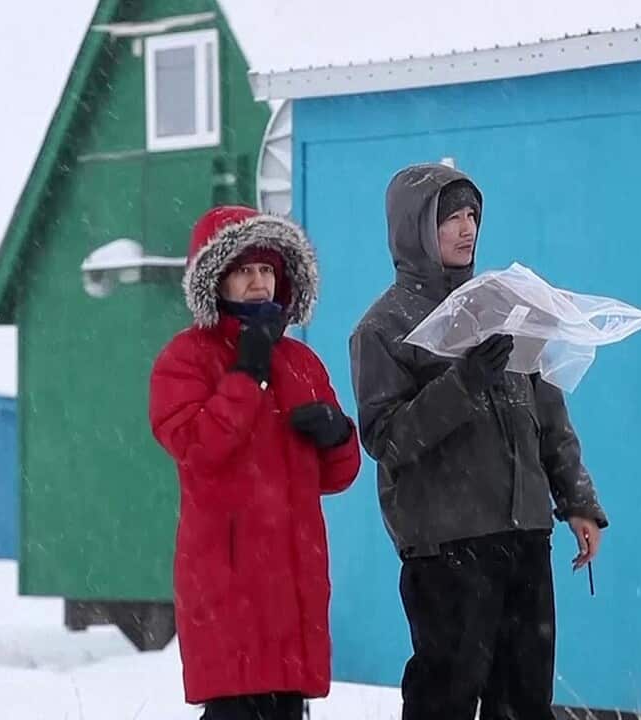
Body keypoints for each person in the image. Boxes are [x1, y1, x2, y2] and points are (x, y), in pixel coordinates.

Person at [348, 164, 609, 720]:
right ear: (415, 228)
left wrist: (578, 501)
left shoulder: (503, 306)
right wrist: (462, 383)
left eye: (472, 215)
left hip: (524, 534)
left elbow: (548, 412)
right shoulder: (383, 327)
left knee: (523, 702)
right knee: (445, 699)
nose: (467, 229)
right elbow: (388, 439)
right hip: (447, 547)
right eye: (450, 218)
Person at [149, 205, 361, 720]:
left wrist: (339, 436)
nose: (259, 282)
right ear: (215, 278)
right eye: (244, 270)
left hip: (292, 580)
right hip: (227, 581)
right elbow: (198, 447)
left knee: (285, 710)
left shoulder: (302, 361)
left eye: (267, 270)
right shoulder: (185, 358)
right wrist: (247, 373)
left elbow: (337, 475)